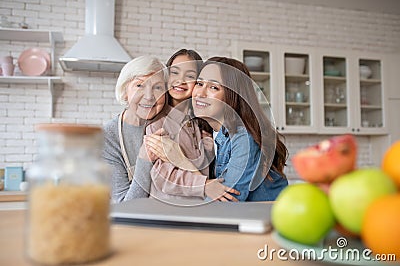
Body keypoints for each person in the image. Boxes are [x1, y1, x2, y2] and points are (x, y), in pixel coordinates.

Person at [147, 57, 288, 201]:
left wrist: (182, 161)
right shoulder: (212, 135)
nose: (200, 94)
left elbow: (226, 199)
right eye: (200, 83)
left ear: (232, 95)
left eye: (214, 87)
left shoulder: (243, 138)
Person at [145, 49, 239, 202]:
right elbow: (163, 177)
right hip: (170, 211)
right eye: (175, 73)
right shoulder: (158, 125)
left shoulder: (199, 122)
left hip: (200, 208)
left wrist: (208, 151)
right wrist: (204, 185)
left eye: (189, 76)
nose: (180, 80)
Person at [102, 56, 168, 203]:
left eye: (157, 87)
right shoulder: (108, 137)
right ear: (125, 91)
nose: (149, 97)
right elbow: (125, 205)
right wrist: (145, 160)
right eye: (139, 86)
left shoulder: (169, 126)